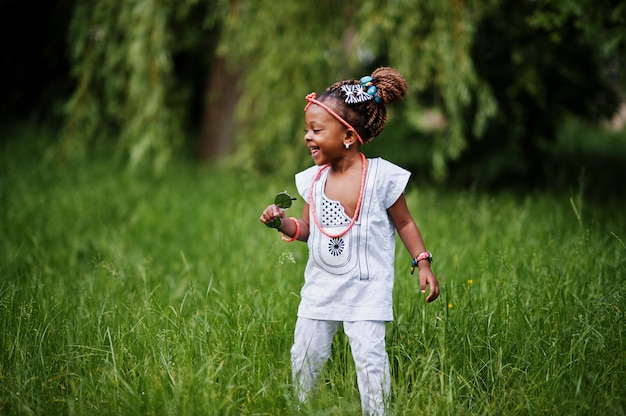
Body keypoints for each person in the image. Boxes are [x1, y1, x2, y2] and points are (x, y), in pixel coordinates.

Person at [259, 67, 439, 416]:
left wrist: (423, 261)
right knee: (306, 352)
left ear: (347, 136)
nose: (308, 138)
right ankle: (300, 407)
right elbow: (308, 229)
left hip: (366, 289)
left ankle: (378, 412)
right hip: (321, 288)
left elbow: (404, 222)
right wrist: (281, 222)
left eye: (316, 130)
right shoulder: (312, 181)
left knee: (370, 357)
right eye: (306, 130)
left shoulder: (381, 177)